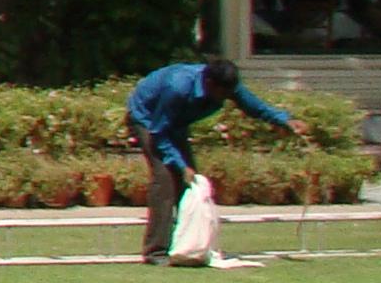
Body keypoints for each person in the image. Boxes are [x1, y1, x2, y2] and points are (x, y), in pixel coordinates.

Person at [124, 55, 301, 265]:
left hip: (176, 123)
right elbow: (159, 132)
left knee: (191, 185)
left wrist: (284, 120)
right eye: (223, 94)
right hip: (148, 119)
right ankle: (156, 251)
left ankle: (187, 246)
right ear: (209, 83)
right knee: (165, 180)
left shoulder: (225, 85)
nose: (225, 98)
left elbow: (253, 105)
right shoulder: (178, 87)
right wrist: (181, 165)